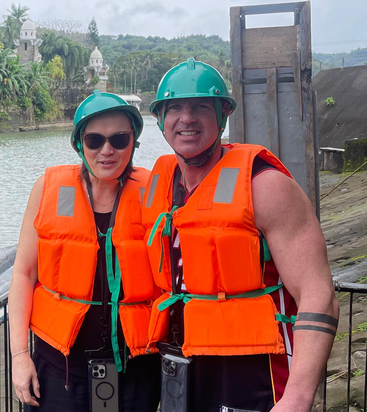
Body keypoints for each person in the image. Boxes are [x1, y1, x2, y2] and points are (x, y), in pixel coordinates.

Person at [144, 58, 339, 411]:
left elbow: (318, 293)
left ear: (223, 115)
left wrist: (298, 396)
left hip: (256, 369)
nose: (186, 118)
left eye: (201, 107)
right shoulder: (162, 183)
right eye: (174, 108)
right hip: (183, 364)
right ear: (159, 119)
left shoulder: (265, 186)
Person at [9, 90, 161, 411]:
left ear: (133, 142)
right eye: (94, 140)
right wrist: (19, 355)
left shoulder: (154, 192)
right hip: (60, 367)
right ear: (79, 144)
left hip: (137, 367)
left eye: (119, 140)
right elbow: (24, 273)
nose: (107, 150)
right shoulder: (49, 189)